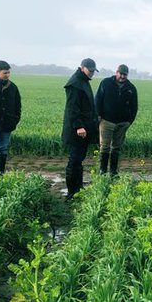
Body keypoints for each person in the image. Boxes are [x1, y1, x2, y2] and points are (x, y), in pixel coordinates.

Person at [62, 58, 99, 198]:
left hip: (84, 129)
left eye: (93, 71)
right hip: (77, 131)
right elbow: (72, 108)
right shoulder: (75, 84)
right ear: (82, 67)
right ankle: (72, 191)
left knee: (79, 160)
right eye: (90, 70)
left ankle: (78, 188)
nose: (92, 73)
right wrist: (79, 126)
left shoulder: (82, 80)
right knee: (74, 160)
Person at [94, 64, 138, 177]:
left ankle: (113, 172)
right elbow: (98, 99)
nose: (122, 76)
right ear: (116, 72)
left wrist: (129, 121)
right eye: (121, 74)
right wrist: (98, 115)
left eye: (125, 74)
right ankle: (102, 171)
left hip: (122, 123)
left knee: (116, 147)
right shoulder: (106, 83)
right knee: (105, 146)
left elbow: (134, 107)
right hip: (106, 121)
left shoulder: (131, 88)